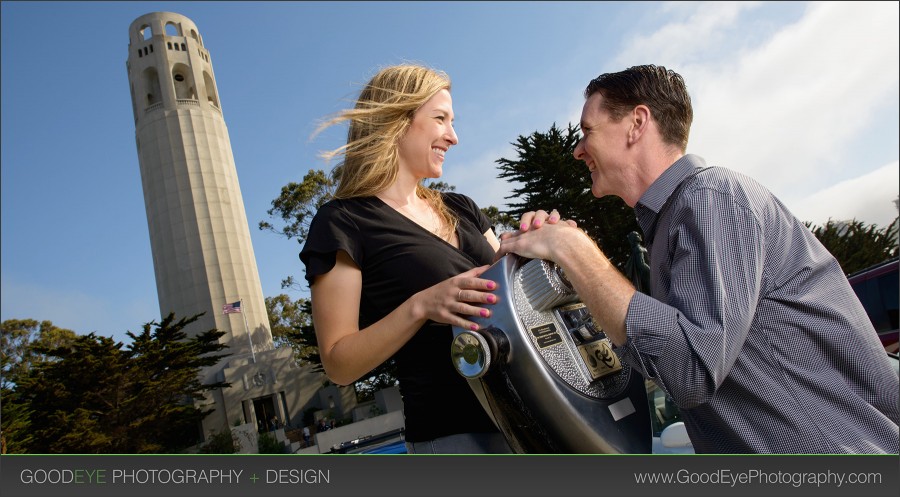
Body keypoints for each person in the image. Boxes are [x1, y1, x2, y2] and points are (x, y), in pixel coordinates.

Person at [496, 64, 900, 453]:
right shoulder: (677, 219)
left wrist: (576, 252)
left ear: (638, 123)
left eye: (588, 131)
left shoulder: (710, 199)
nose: (577, 149)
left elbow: (689, 370)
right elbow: (656, 359)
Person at [299, 64, 512, 454]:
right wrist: (420, 307)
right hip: (455, 438)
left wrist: (531, 247)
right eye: (441, 119)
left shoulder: (462, 207)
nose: (454, 136)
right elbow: (338, 363)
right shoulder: (344, 223)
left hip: (533, 415)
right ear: (397, 121)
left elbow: (507, 294)